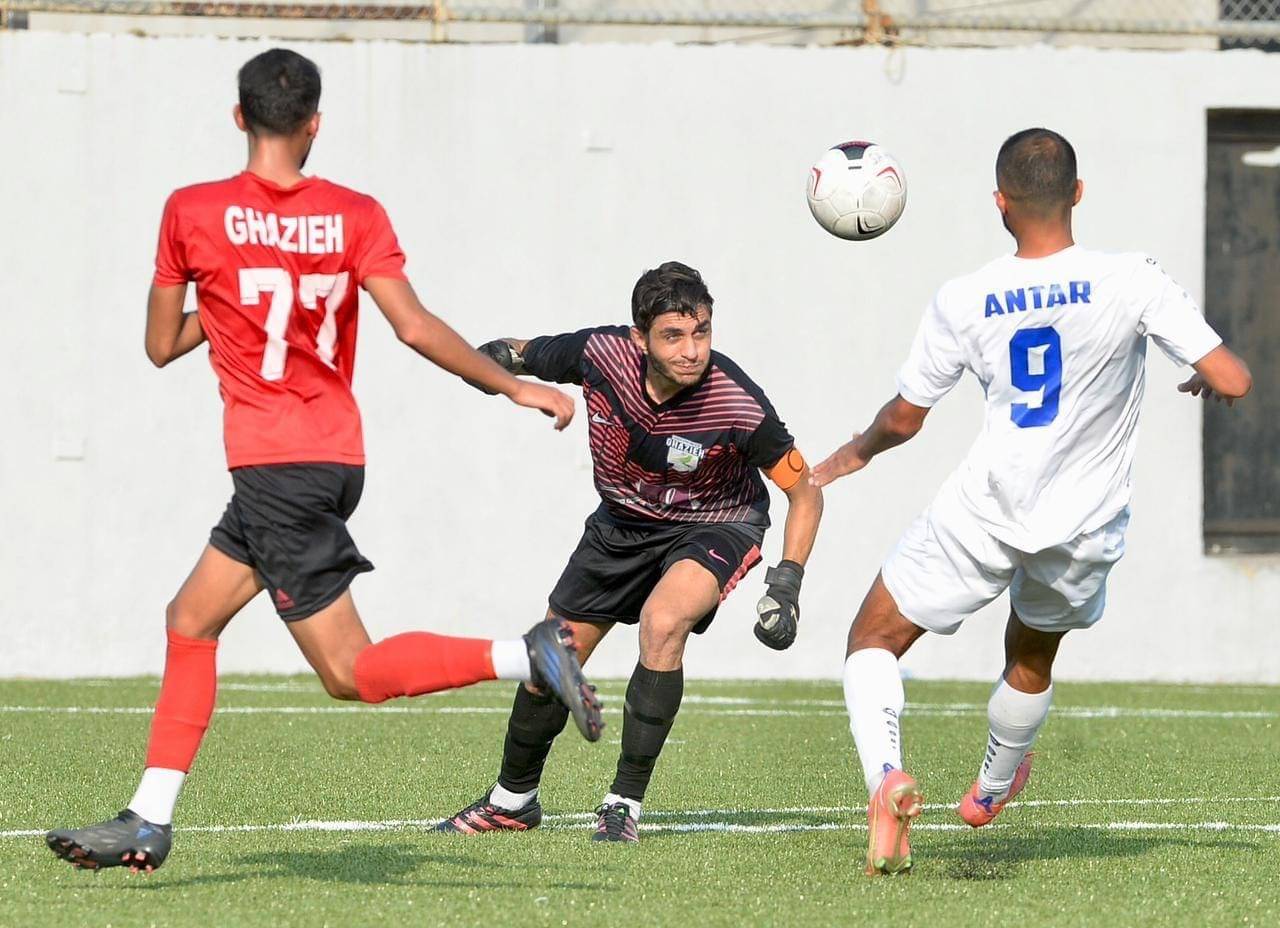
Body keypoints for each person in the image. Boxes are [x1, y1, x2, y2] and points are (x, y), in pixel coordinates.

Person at [45, 48, 603, 874]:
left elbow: (161, 345)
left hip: (274, 466)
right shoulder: (355, 216)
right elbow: (413, 326)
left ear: (240, 118)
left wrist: (224, 287)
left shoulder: (191, 213)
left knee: (350, 672)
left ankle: (529, 655)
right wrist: (514, 387)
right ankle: (148, 817)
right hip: (332, 458)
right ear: (314, 124)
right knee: (190, 619)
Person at [811, 128, 1252, 876]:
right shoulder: (1132, 278)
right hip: (1083, 526)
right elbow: (1234, 378)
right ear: (1078, 193)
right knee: (1031, 651)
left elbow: (906, 417)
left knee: (873, 640)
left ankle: (886, 776)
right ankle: (988, 788)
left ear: (1000, 204)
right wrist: (1209, 375)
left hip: (984, 508)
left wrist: (848, 457)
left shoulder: (966, 296)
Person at [438, 260, 824, 841]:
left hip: (714, 524)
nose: (692, 350)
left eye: (702, 333)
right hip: (621, 525)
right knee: (551, 660)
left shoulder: (738, 403)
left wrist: (787, 582)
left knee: (662, 622)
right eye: (673, 335)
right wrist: (500, 378)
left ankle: (624, 804)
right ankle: (512, 802)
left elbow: (805, 491)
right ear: (639, 338)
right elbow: (512, 352)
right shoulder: (601, 355)